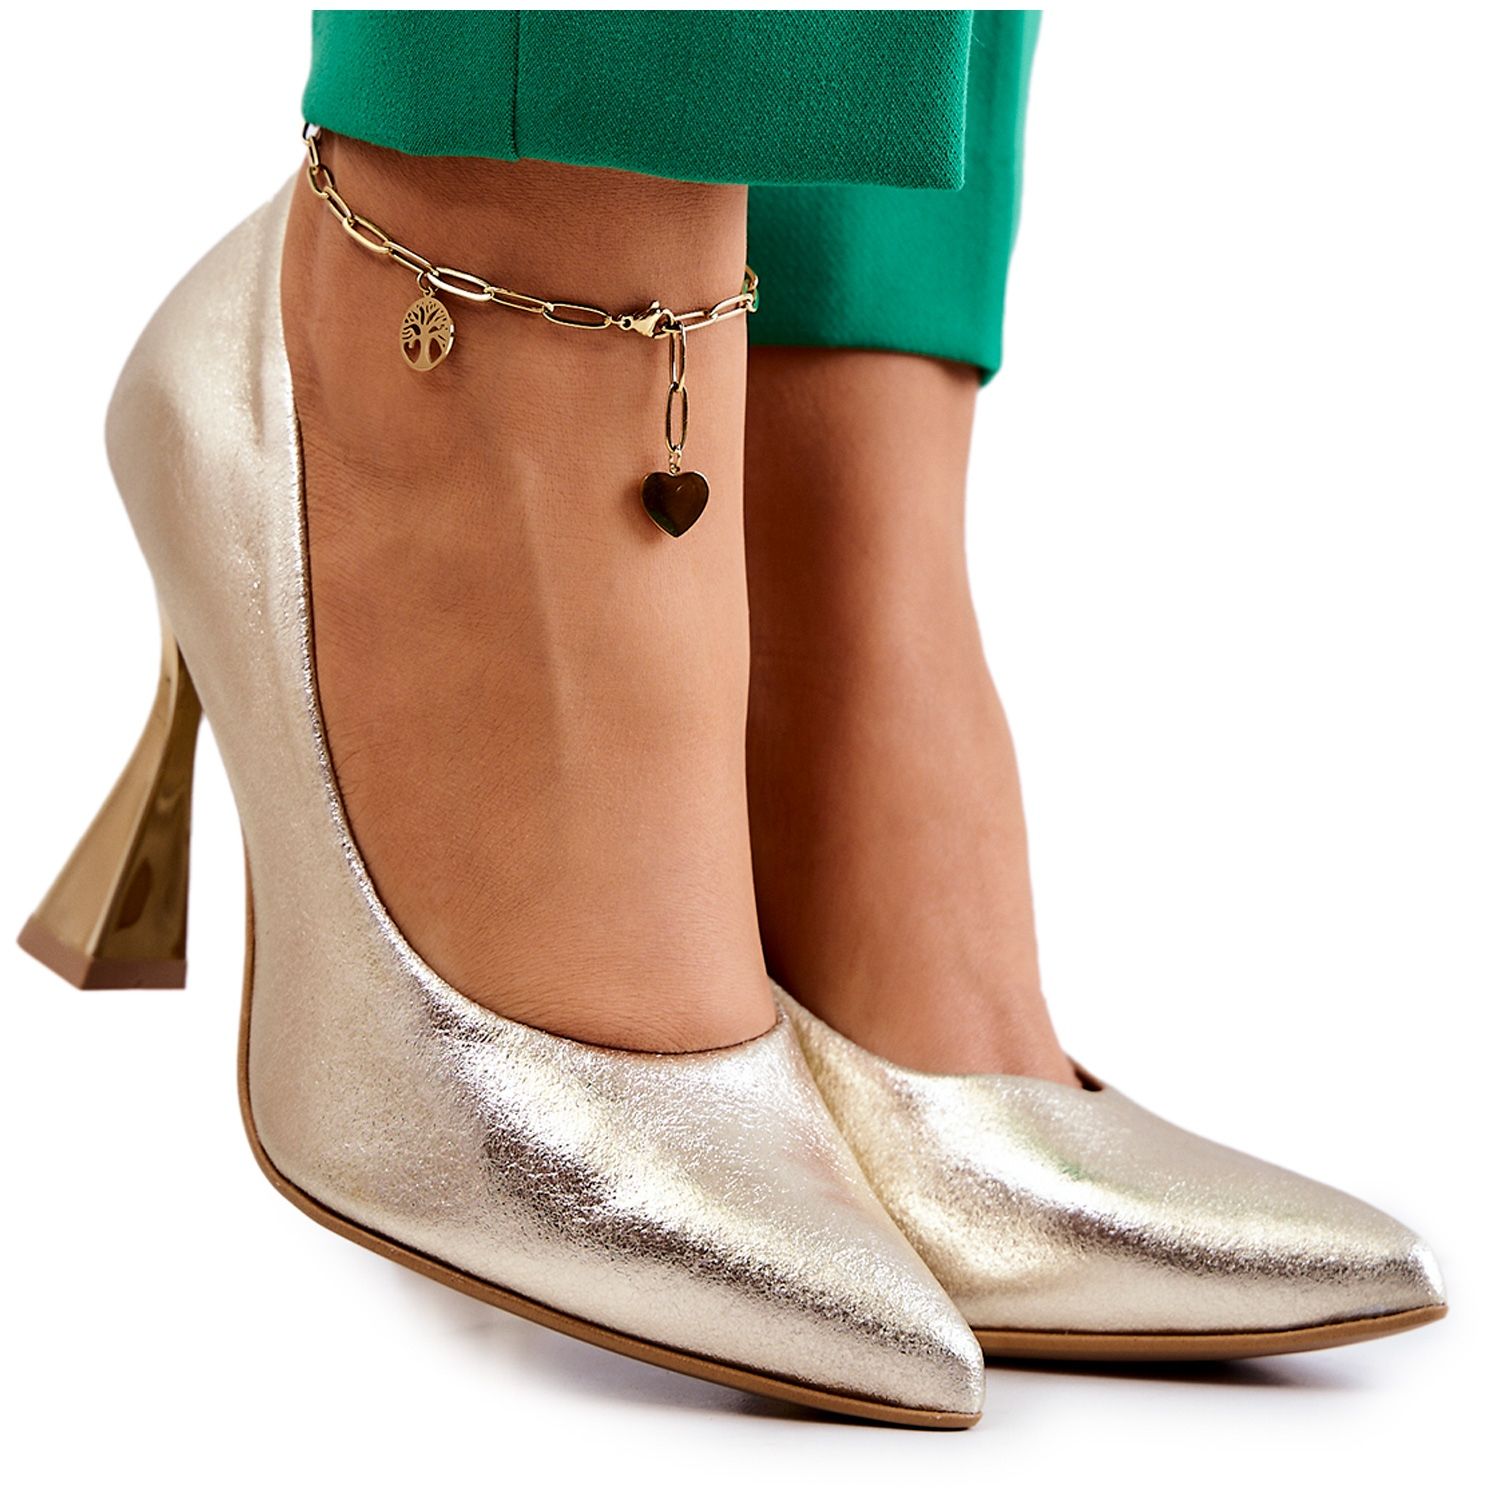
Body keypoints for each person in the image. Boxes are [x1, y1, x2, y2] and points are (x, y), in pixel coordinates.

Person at [17, 11, 1443, 1426]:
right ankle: (485, 261)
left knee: (852, 273)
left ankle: (814, 430)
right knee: (600, 168)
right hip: (460, 309)